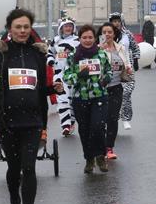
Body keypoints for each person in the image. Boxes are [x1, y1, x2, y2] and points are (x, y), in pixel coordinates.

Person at [0, 8, 51, 204]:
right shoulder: (0, 53)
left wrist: (54, 92)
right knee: (14, 169)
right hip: (8, 121)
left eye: (26, 27)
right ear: (10, 29)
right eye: (18, 27)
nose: (23, 31)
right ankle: (15, 200)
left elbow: (42, 88)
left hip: (32, 121)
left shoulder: (38, 54)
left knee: (29, 167)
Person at [61, 25, 112, 174]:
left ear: (95, 38)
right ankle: (89, 159)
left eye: (90, 37)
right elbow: (67, 77)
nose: (88, 40)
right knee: (85, 130)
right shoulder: (73, 57)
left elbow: (108, 70)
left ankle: (100, 156)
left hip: (99, 96)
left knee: (98, 126)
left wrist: (106, 79)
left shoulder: (101, 54)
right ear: (80, 39)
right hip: (80, 98)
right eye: (84, 37)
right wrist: (78, 76)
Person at [99, 23, 132, 160]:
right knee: (101, 119)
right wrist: (100, 50)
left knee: (113, 118)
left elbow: (127, 62)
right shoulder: (97, 49)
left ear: (114, 34)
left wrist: (128, 68)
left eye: (110, 32)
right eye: (104, 32)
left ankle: (109, 147)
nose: (107, 34)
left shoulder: (121, 48)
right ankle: (100, 146)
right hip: (101, 88)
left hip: (116, 87)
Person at [48, 19, 78, 137]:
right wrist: (51, 61)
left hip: (73, 74)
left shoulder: (78, 40)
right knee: (62, 99)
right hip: (59, 74)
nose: (68, 28)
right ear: (61, 28)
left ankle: (71, 122)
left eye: (70, 26)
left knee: (73, 101)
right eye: (66, 26)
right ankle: (65, 125)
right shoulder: (56, 40)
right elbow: (50, 52)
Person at [109, 13, 137, 130]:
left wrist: (135, 60)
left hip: (126, 68)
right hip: (111, 69)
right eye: (113, 21)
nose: (116, 23)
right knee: (112, 96)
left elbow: (135, 47)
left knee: (126, 93)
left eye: (118, 21)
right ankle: (113, 118)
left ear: (121, 22)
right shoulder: (106, 35)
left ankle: (125, 118)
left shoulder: (127, 34)